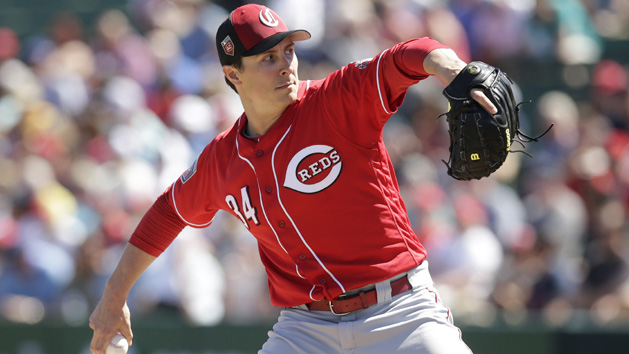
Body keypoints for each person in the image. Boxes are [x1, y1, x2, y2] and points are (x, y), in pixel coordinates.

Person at [89, 3, 499, 353]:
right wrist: (114, 296)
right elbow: (167, 214)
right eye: (267, 57)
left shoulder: (335, 101)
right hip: (306, 330)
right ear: (233, 75)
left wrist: (453, 69)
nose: (285, 64)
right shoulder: (222, 159)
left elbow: (409, 54)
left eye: (287, 50)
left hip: (399, 310)